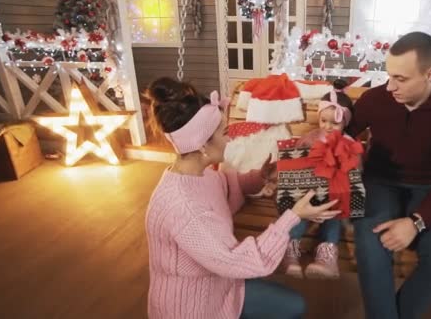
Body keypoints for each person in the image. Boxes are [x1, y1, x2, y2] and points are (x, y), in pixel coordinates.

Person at [144, 77, 341, 319]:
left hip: (220, 283)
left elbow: (227, 186)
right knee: (288, 301)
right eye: (223, 133)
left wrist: (261, 175)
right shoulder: (184, 208)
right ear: (203, 145)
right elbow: (239, 262)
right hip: (194, 308)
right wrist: (293, 216)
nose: (230, 138)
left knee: (294, 305)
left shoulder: (199, 175)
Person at [347, 32, 431, 319]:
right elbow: (342, 136)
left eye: (401, 79)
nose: (390, 86)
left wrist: (415, 223)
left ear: (430, 73)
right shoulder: (375, 99)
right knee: (372, 245)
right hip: (380, 181)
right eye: (389, 75)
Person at [281, 79, 355, 279]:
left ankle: (327, 255)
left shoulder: (349, 144)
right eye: (324, 121)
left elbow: (355, 174)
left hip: (334, 198)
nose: (328, 126)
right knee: (298, 213)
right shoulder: (309, 138)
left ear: (345, 122)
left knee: (334, 216)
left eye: (335, 122)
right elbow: (295, 167)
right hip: (307, 194)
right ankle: (291, 250)